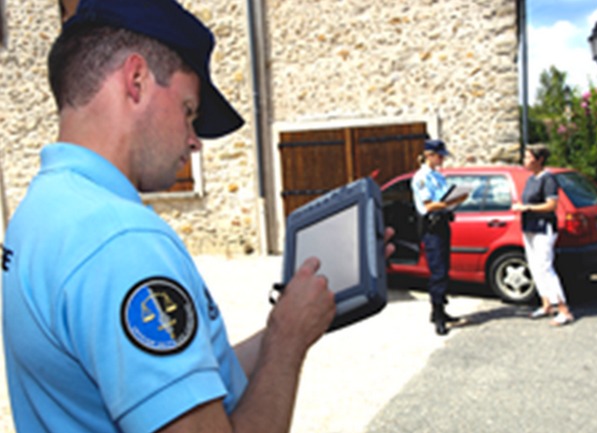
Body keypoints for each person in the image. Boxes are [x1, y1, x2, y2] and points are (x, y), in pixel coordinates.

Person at [1, 1, 393, 432]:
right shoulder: (121, 240)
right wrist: (288, 343)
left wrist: (291, 321)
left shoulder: (42, 210)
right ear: (136, 80)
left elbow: (184, 385)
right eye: (188, 111)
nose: (194, 141)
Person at [411, 139, 468, 335]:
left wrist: (457, 199)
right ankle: (438, 316)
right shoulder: (421, 178)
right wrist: (455, 200)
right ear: (429, 155)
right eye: (440, 156)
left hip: (442, 224)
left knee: (444, 269)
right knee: (438, 272)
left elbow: (445, 198)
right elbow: (429, 205)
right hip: (431, 226)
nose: (442, 159)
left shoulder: (438, 176)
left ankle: (439, 311)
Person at [512, 144, 574, 326]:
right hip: (529, 228)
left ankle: (563, 309)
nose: (524, 160)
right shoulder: (531, 179)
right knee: (534, 266)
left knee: (546, 267)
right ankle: (546, 304)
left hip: (543, 228)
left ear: (539, 160)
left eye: (528, 157)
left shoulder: (548, 179)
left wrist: (527, 208)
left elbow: (551, 205)